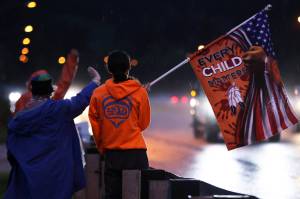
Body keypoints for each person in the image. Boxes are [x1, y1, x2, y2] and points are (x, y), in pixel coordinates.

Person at [4, 67, 101, 199]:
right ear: (50, 90)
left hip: (28, 177)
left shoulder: (19, 119)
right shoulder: (59, 110)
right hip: (56, 176)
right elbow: (80, 100)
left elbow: (11, 150)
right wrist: (95, 81)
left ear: (32, 90)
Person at [89, 50, 151, 199]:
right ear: (128, 67)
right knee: (139, 194)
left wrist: (102, 148)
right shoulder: (140, 92)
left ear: (109, 69)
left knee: (113, 195)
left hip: (112, 154)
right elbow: (143, 124)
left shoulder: (98, 94)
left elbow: (96, 128)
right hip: (137, 154)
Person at [13, 49, 79, 115]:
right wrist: (72, 60)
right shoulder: (28, 98)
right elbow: (64, 83)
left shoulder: (49, 100)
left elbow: (64, 83)